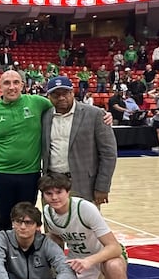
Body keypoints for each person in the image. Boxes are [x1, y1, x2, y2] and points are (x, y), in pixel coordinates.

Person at [39, 173, 130, 279]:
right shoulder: (48, 212)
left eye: (59, 192)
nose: (54, 197)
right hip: (78, 260)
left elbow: (114, 247)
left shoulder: (84, 208)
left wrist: (90, 261)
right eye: (49, 193)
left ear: (68, 192)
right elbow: (57, 237)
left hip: (103, 255)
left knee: (114, 265)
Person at [0, 70, 52, 232]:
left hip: (30, 173)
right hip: (2, 173)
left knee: (28, 218)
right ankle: (3, 254)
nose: (12, 87)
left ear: (23, 85)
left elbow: (66, 106)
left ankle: (27, 254)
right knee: (4, 217)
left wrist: (102, 114)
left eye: (16, 82)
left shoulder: (38, 102)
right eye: (7, 83)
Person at [41, 76, 117, 206]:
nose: (61, 98)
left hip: (84, 184)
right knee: (53, 225)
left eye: (65, 93)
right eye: (55, 94)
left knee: (84, 225)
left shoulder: (95, 114)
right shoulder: (45, 116)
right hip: (52, 184)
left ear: (72, 92)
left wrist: (102, 187)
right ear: (49, 97)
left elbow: (108, 154)